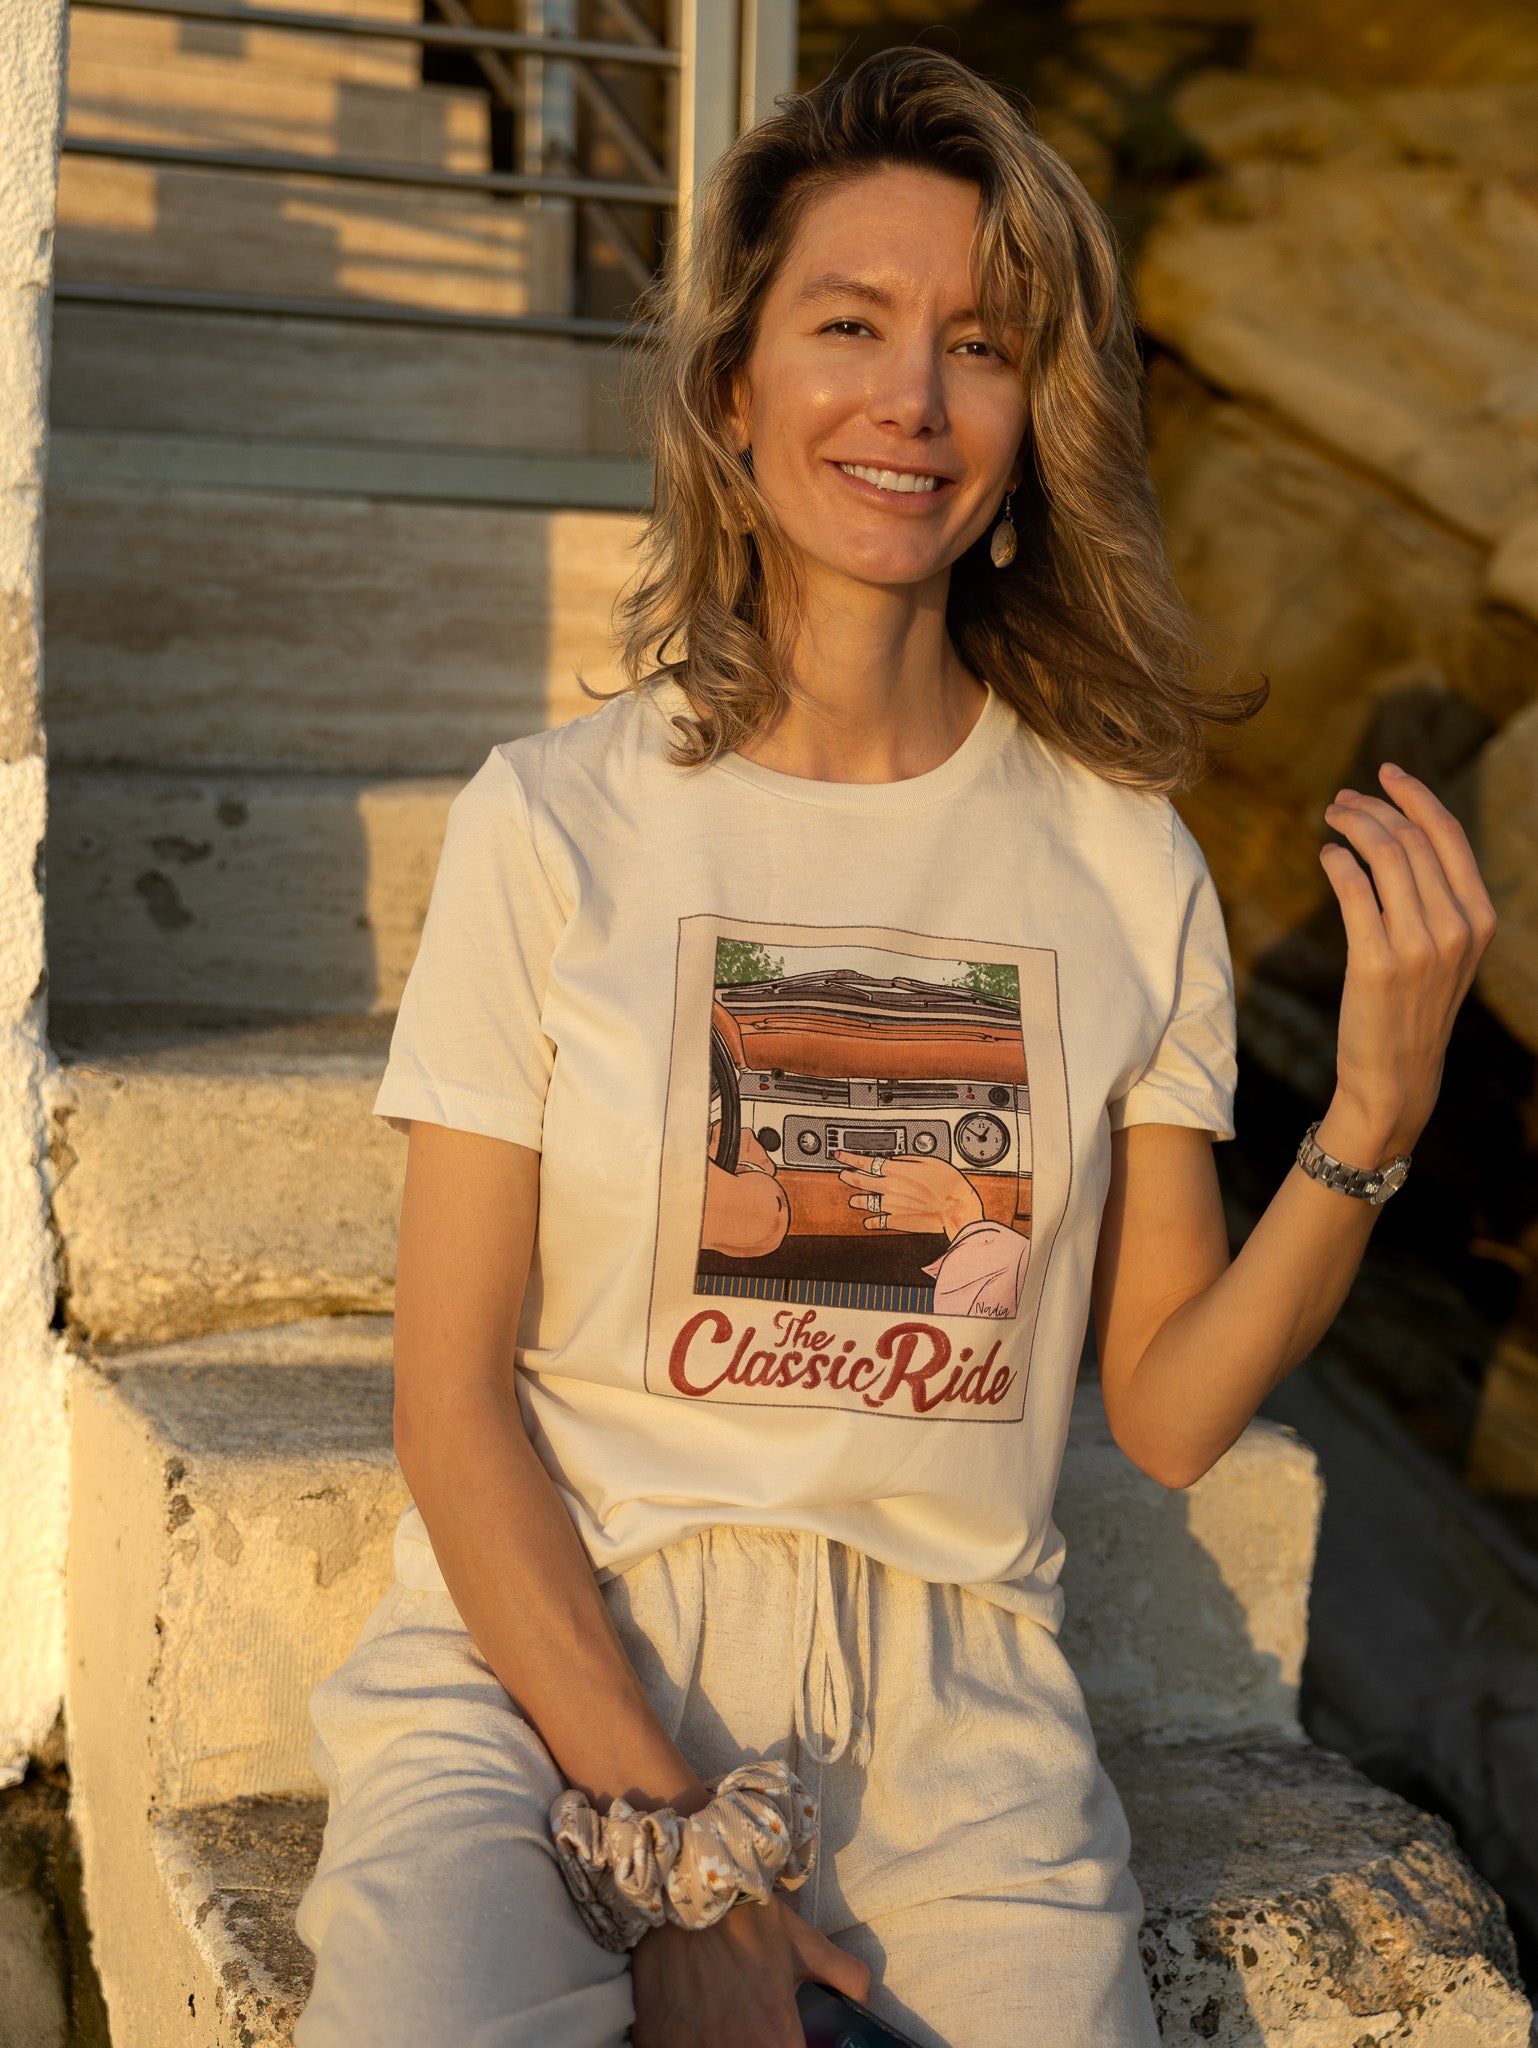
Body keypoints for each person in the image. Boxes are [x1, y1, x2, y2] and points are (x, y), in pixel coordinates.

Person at [291, 46, 1496, 2048]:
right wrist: (685, 1855)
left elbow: (1174, 1410)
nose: (910, 399)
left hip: (953, 1713)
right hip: (549, 1662)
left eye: (981, 346)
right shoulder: (555, 819)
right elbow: (449, 1406)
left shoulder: (1118, 860)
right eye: (847, 324)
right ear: (732, 383)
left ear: (1036, 424)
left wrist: (1368, 1118)